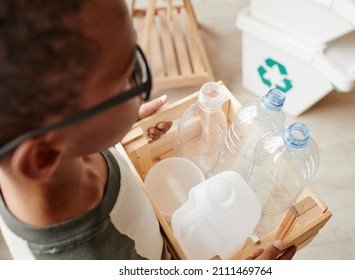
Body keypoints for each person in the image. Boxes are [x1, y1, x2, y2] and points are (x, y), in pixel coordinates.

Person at [0, 0, 296, 260]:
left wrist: (111, 131)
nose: (139, 84)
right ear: (41, 158)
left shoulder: (45, 148)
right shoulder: (92, 259)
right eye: (129, 77)